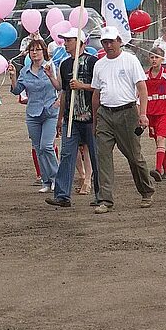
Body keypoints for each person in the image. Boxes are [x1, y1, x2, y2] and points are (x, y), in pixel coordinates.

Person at [90, 26, 156, 214]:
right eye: (105, 42)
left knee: (134, 157)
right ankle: (105, 199)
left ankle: (146, 190)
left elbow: (142, 89)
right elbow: (96, 93)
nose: (108, 45)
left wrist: (142, 114)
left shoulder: (130, 60)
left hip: (127, 113)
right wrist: (95, 119)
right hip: (105, 113)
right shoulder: (100, 65)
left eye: (111, 41)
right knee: (103, 156)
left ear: (119, 41)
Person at [45, 29, 100, 208]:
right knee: (67, 154)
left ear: (81, 42)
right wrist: (60, 118)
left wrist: (82, 85)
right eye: (65, 40)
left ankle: (101, 195)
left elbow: (99, 88)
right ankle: (62, 195)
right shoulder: (65, 64)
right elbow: (64, 92)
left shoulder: (93, 62)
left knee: (96, 155)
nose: (66, 43)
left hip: (91, 118)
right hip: (71, 118)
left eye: (69, 40)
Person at [8, 38, 60, 193]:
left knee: (47, 146)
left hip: (50, 112)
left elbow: (61, 86)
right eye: (32, 50)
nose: (35, 52)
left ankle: (57, 178)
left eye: (38, 49)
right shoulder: (25, 71)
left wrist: (58, 102)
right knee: (38, 149)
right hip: (33, 113)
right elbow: (17, 90)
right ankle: (46, 181)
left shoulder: (52, 67)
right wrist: (12, 76)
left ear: (44, 51)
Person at [144, 46, 166, 181]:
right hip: (151, 112)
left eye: (156, 57)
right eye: (152, 57)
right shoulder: (145, 75)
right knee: (158, 142)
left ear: (162, 59)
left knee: (161, 139)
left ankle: (158, 169)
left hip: (164, 111)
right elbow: (141, 95)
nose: (154, 60)